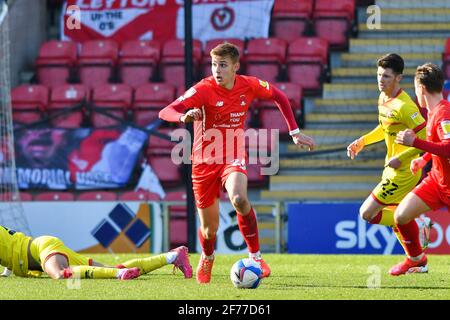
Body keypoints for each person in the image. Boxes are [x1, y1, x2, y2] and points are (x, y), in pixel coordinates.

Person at [159, 42, 315, 284]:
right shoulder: (203, 89)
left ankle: (256, 257)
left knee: (239, 199)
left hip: (233, 156)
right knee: (210, 230)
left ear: (235, 67)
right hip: (203, 163)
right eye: (214, 65)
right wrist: (183, 116)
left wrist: (294, 131)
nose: (217, 70)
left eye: (222, 65)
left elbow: (279, 95)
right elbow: (166, 111)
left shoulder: (248, 85)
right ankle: (208, 256)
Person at [346, 53, 432, 264]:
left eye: (386, 76)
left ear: (398, 78)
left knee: (367, 213)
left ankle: (416, 225)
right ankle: (417, 260)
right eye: (378, 75)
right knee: (395, 216)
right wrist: (363, 141)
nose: (380, 80)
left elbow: (424, 137)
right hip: (390, 167)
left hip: (404, 171)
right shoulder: (383, 98)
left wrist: (402, 158)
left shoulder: (406, 107)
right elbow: (384, 128)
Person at [392, 63, 450, 275]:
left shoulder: (444, 114)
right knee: (401, 216)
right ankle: (416, 259)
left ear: (421, 89)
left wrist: (415, 143)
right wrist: (424, 159)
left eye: (415, 88)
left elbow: (449, 148)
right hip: (437, 181)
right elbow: (438, 144)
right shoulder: (433, 112)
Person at [0, 224, 192, 280]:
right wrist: (6, 272)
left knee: (59, 275)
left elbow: (11, 247)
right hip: (41, 248)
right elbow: (9, 246)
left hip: (41, 249)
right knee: (110, 267)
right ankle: (173, 256)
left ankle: (119, 275)